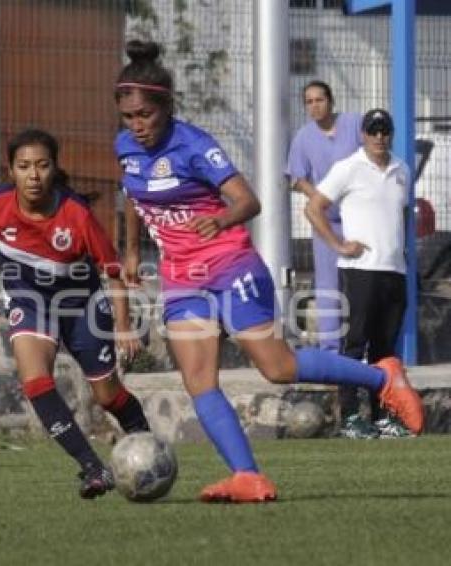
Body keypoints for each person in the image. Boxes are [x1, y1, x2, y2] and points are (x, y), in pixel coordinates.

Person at [114, 40, 423, 503]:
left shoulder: (195, 144)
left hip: (230, 264)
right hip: (182, 277)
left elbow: (249, 201)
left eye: (146, 115)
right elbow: (134, 196)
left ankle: (384, 378)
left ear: (166, 105)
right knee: (198, 382)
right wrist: (133, 251)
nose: (137, 126)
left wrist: (219, 218)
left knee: (277, 368)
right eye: (129, 117)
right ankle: (247, 476)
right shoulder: (125, 148)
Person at [0, 128, 150, 499]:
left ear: (54, 168)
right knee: (36, 382)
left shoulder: (76, 214)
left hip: (80, 303)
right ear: (11, 170)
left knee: (108, 397)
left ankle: (148, 449)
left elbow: (113, 273)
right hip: (29, 298)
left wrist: (124, 327)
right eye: (23, 166)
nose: (33, 175)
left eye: (42, 165)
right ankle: (92, 467)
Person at [306, 108, 412, 438]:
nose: (379, 136)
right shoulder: (348, 167)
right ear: (363, 134)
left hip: (393, 270)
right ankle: (351, 416)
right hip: (359, 271)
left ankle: (383, 416)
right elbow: (313, 207)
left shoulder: (401, 169)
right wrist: (338, 245)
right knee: (354, 347)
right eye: (373, 130)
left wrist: (401, 248)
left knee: (385, 349)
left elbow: (403, 212)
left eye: (385, 130)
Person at [285, 80, 369, 438]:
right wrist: (319, 195)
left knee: (364, 284)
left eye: (320, 100)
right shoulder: (304, 137)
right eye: (309, 101)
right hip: (326, 221)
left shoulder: (354, 124)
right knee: (328, 288)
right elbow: (295, 177)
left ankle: (366, 352)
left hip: (360, 218)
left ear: (332, 101)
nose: (315, 106)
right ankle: (332, 353)